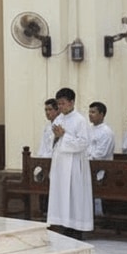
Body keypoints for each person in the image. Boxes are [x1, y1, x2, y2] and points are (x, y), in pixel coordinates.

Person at [46, 87, 93, 239]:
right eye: (58, 104)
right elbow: (51, 141)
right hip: (60, 165)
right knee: (61, 196)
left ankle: (76, 228)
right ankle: (64, 225)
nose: (60, 107)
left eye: (63, 103)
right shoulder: (59, 119)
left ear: (72, 102)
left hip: (74, 166)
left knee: (74, 196)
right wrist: (55, 138)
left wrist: (64, 136)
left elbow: (83, 143)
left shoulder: (79, 120)